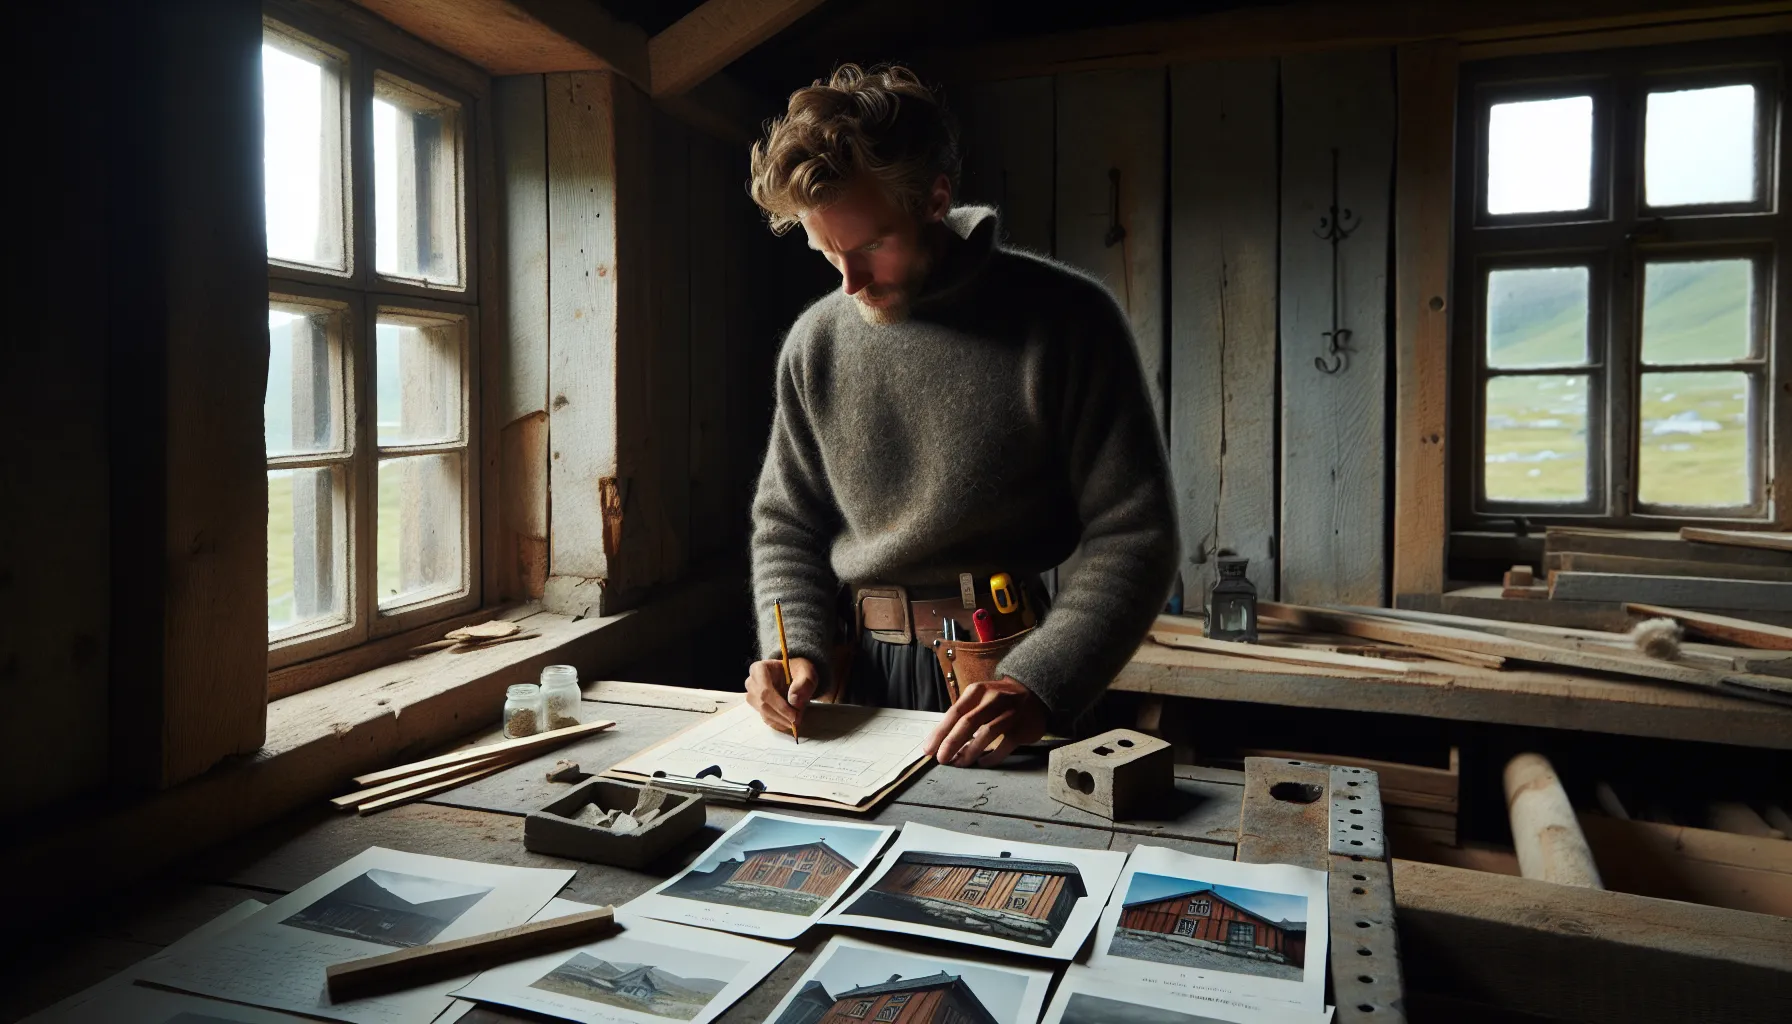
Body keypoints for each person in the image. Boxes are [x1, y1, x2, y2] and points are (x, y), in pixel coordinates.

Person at [742, 64, 1178, 769]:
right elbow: (787, 524)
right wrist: (793, 651)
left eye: (870, 246)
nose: (849, 283)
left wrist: (1040, 682)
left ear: (935, 200)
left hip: (1012, 680)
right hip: (855, 684)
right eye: (826, 253)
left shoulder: (1068, 320)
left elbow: (1136, 533)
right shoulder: (815, 342)